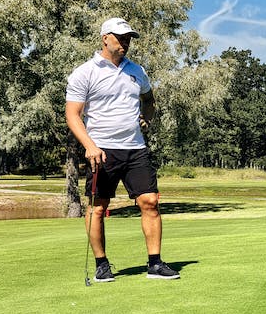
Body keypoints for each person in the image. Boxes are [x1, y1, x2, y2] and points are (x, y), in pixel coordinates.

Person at [65, 18, 180, 281]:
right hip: (102, 149)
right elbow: (73, 115)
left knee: (149, 201)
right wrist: (90, 146)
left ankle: (155, 263)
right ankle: (101, 264)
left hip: (135, 148)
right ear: (105, 38)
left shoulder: (137, 70)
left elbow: (149, 100)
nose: (126, 42)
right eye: (120, 37)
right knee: (97, 207)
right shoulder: (85, 72)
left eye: (128, 38)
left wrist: (147, 118)